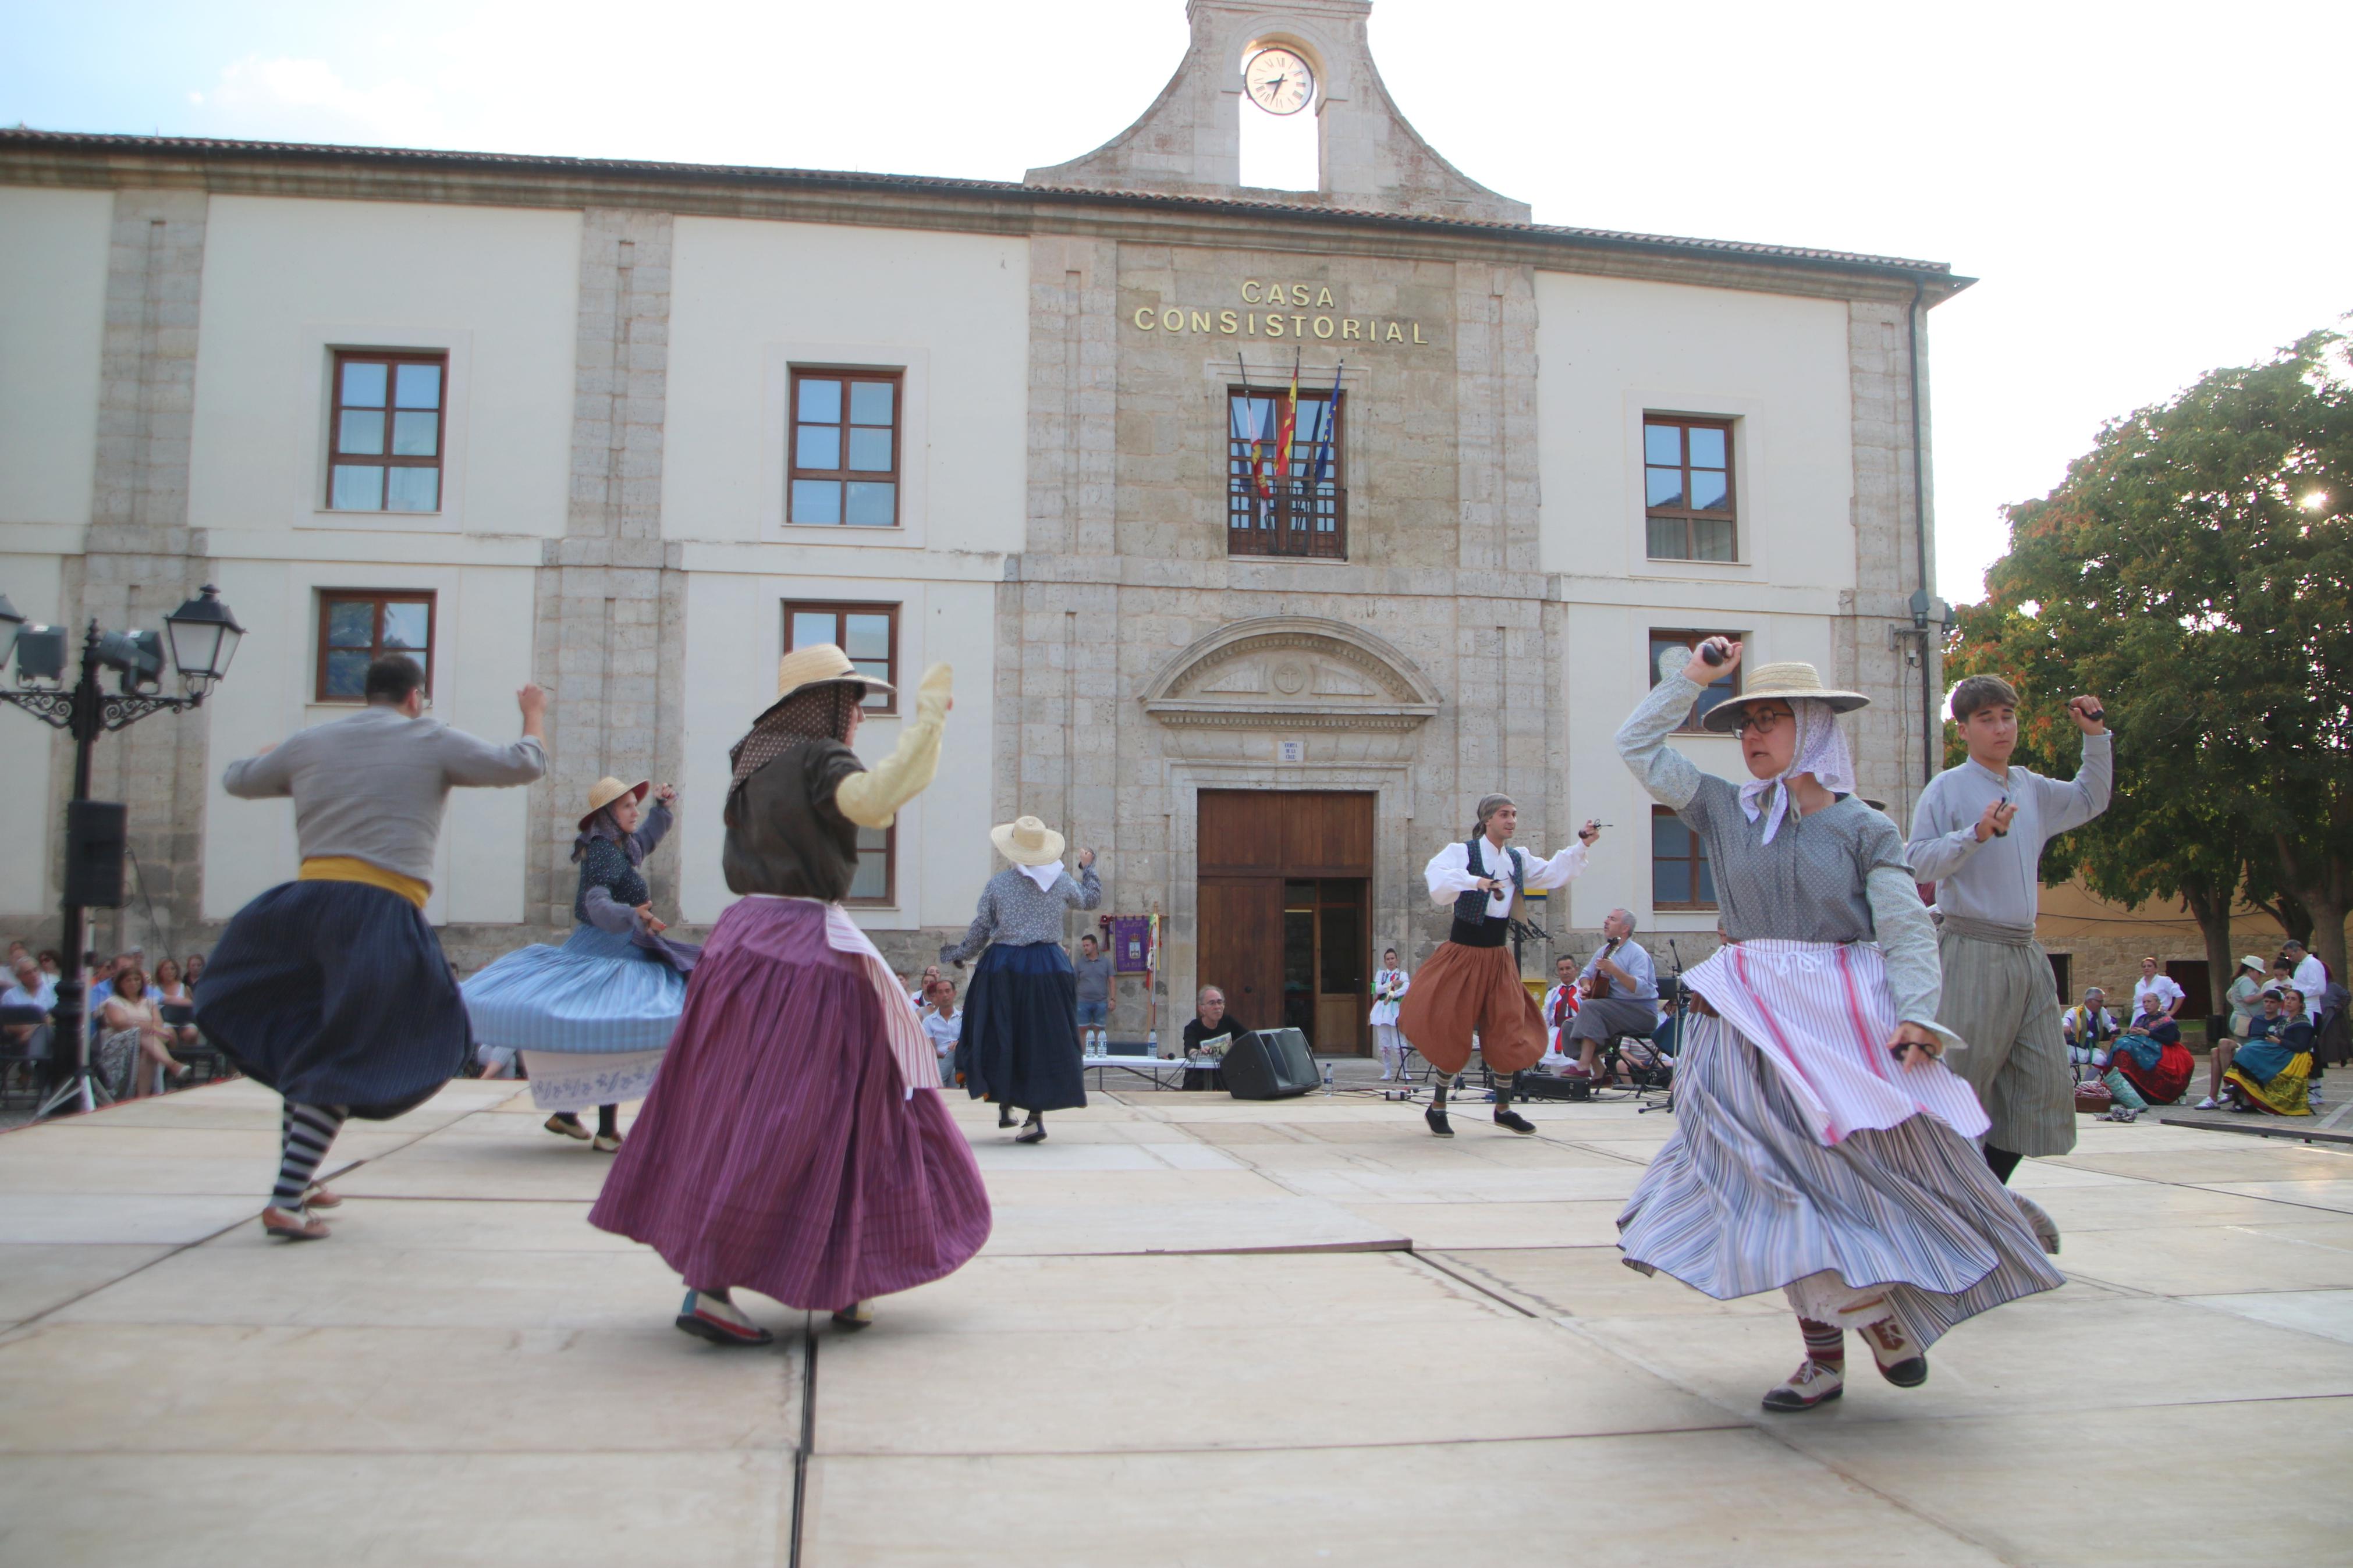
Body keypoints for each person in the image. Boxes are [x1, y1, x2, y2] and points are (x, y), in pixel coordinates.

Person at [1616, 640, 2063, 1415]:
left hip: (1837, 1027)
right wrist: (1691, 678)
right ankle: (1833, 1350)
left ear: (1814, 727)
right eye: (1744, 722)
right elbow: (1635, 745)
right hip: (1744, 1024)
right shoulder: (1721, 806)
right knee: (1761, 1182)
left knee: (1842, 1187)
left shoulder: (1863, 828)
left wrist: (1920, 1010)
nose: (1751, 735)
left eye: (1769, 720)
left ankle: (1880, 1312)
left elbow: (1903, 923)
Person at [590, 646, 986, 1343]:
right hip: (805, 954)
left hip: (742, 943)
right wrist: (927, 726)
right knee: (814, 1112)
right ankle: (717, 1285)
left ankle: (847, 1276)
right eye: (851, 701)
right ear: (823, 706)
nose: (858, 715)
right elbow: (873, 802)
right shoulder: (816, 757)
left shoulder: (753, 761)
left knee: (740, 1106)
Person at [197, 654, 547, 1241]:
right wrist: (533, 714)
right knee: (357, 1047)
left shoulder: (312, 741)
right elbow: (522, 764)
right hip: (378, 909)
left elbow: (236, 778)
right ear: (415, 698)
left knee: (313, 1039)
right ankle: (286, 1198)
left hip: (302, 906)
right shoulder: (427, 737)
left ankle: (300, 1177)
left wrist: (269, 758)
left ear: (368, 694)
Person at [1905, 673, 2110, 1192]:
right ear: (1964, 729)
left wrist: (2094, 737)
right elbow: (1916, 862)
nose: (2000, 728)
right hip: (1968, 947)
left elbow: (2091, 798)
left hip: (2025, 951)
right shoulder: (1947, 787)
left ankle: (1984, 1196)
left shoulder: (2029, 785)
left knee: (2039, 1089)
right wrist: (1974, 834)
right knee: (1957, 1088)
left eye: (2007, 716)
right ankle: (1939, 1203)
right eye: (1986, 718)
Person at [462, 778, 698, 1153]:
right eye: (626, 807)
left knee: (604, 1033)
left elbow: (647, 839)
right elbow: (596, 905)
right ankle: (603, 1130)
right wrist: (633, 915)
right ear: (607, 815)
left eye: (634, 805)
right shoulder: (604, 851)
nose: (634, 812)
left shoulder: (621, 846)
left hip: (620, 950)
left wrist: (662, 808)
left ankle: (568, 1115)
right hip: (606, 954)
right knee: (610, 1033)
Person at [1400, 795, 1599, 1137]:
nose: (1512, 821)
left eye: (1515, 815)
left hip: (1497, 956)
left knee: (1509, 1024)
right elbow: (1438, 877)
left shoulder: (1516, 859)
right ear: (1488, 819)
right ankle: (1438, 1106)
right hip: (1463, 954)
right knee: (1453, 1026)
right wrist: (1474, 881)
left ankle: (1504, 1108)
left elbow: (1551, 872)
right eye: (1505, 815)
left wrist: (1581, 844)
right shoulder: (1463, 853)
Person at [943, 817, 1101, 1144]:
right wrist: (1089, 868)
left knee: (998, 1031)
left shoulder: (999, 884)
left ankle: (1003, 1102)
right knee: (1042, 1039)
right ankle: (1034, 1118)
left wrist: (959, 953)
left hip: (1004, 965)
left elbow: (981, 929)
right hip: (1046, 966)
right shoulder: (1061, 882)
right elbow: (1090, 900)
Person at [1562, 909, 1659, 1081]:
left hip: (1640, 1012)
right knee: (1569, 1025)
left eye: (1612, 919)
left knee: (1592, 1008)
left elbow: (1641, 987)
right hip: (1613, 1011)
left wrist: (1614, 970)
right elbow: (1585, 974)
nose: (1606, 921)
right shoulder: (1605, 951)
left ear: (1625, 928)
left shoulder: (1637, 953)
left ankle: (1583, 1067)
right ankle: (1600, 1070)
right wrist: (1587, 987)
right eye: (1607, 917)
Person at [2221, 987, 2316, 1115]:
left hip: (2291, 1056)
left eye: (2293, 999)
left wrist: (2278, 1042)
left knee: (2250, 1050)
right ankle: (2240, 1089)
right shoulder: (2286, 1021)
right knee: (2251, 1048)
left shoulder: (2302, 1023)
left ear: (2301, 1004)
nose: (2289, 1002)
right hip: (2280, 1050)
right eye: (2287, 998)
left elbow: (2301, 1046)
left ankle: (2241, 1088)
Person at [98, 966, 186, 1099]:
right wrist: (140, 1024)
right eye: (129, 981)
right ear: (121, 984)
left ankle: (142, 1096)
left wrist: (145, 1026)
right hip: (120, 1042)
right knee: (140, 1033)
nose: (134, 983)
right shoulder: (113, 1002)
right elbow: (120, 1023)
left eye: (137, 980)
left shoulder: (149, 1003)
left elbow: (158, 1024)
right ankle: (172, 1065)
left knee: (147, 1049)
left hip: (148, 1039)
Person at [2202, 989, 2285, 1109]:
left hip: (2264, 1052)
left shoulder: (2281, 1021)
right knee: (2221, 1045)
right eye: (2266, 1001)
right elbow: (2251, 1038)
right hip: (2250, 1048)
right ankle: (2226, 1087)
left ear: (2279, 1004)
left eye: (2272, 1002)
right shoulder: (2257, 1019)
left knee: (2217, 1051)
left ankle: (2217, 1095)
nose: (2268, 1005)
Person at [1371, 950, 1412, 1079]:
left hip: (1395, 1008)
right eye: (1388, 959)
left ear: (1397, 960)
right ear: (1385, 961)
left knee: (1399, 1042)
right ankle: (1387, 1071)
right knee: (1384, 1043)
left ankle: (1404, 1071)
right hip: (1383, 1008)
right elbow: (1377, 989)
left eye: (1392, 958)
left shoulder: (1402, 974)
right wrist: (1392, 984)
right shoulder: (1381, 974)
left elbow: (1406, 988)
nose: (1390, 961)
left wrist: (1393, 994)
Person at [2061, 987, 2118, 1078]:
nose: (2101, 1004)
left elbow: (2109, 1024)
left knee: (2101, 1060)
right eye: (2099, 1001)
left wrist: (2113, 1030)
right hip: (2074, 1048)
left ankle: (2084, 1085)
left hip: (2092, 1048)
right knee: (2064, 1059)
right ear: (2090, 1001)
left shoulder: (2102, 1011)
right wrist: (2065, 1026)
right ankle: (2068, 1086)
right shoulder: (2075, 1011)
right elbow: (2066, 1020)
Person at [1073, 933, 1114, 1054]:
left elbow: (1112, 980)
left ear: (1095, 945)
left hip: (1101, 1002)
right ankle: (1083, 1055)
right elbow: (1073, 981)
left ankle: (1099, 1054)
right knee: (1082, 1030)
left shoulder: (1105, 963)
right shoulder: (1080, 964)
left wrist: (1113, 999)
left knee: (1099, 1030)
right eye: (1084, 946)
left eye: (1087, 945)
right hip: (1083, 1002)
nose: (1085, 948)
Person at [1538, 954, 1579, 1069]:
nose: (1565, 972)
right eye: (1562, 969)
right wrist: (1541, 1038)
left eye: (1568, 968)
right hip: (1557, 1035)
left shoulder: (1583, 990)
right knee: (1557, 1075)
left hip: (1578, 1034)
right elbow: (1545, 1017)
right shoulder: (1553, 993)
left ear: (1576, 969)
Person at [921, 979, 963, 1087]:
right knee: (954, 1070)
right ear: (936, 996)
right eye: (940, 992)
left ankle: (938, 1085)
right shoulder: (929, 1021)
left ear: (954, 993)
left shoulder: (964, 1018)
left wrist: (959, 1043)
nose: (945, 995)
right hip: (940, 1059)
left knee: (956, 1053)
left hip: (960, 1058)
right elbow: (931, 1048)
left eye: (948, 991)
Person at [2225, 956, 2271, 1043]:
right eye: (2259, 973)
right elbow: (2248, 999)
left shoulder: (2240, 980)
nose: (2260, 976)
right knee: (2247, 1048)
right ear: (2250, 971)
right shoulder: (2246, 981)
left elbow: (2229, 995)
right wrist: (2265, 994)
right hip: (2244, 1020)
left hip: (2241, 1018)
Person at [2131, 957, 2185, 1027]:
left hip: (2157, 1017)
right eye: (2144, 966)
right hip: (2139, 1018)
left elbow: (2180, 995)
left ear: (2156, 969)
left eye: (2149, 966)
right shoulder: (2139, 985)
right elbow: (2136, 1003)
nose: (2146, 968)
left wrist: (2172, 1011)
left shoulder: (2164, 981)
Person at [2283, 940, 2329, 1011]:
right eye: (2288, 958)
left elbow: (2319, 988)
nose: (2291, 959)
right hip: (2301, 1008)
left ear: (2299, 950)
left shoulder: (2313, 963)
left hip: (2310, 1008)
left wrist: (2295, 992)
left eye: (2290, 956)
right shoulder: (2302, 965)